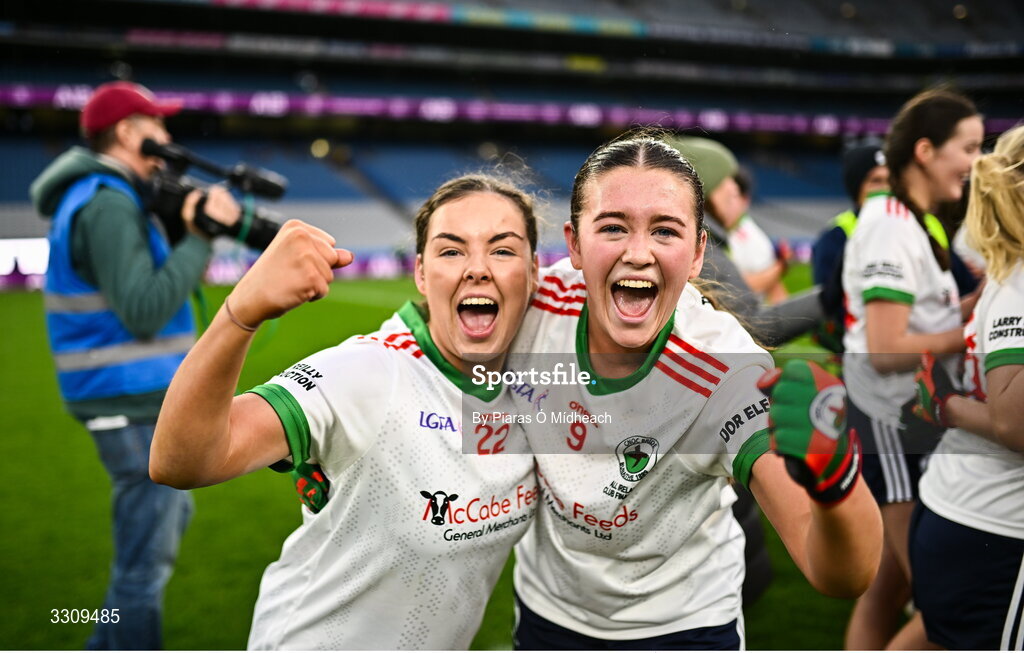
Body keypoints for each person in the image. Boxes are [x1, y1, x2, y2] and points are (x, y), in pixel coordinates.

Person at [508, 132, 882, 648]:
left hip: (683, 627)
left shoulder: (724, 369)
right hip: (547, 613)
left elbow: (840, 573)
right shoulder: (532, 304)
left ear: (699, 251)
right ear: (573, 243)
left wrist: (836, 478)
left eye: (665, 231)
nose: (638, 253)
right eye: (613, 227)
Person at [149, 174, 543, 649]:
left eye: (502, 250)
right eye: (451, 250)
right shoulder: (370, 372)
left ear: (534, 270)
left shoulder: (538, 383)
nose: (477, 268)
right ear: (420, 272)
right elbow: (183, 461)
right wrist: (241, 314)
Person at [29, 81, 240, 650]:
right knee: (141, 573)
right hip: (128, 404)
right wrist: (198, 236)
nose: (167, 138)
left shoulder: (107, 195)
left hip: (128, 398)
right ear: (126, 132)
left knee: (163, 532)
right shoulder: (108, 201)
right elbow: (145, 308)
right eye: (157, 125)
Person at [840, 88, 983, 649]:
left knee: (885, 588)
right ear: (925, 150)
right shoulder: (890, 223)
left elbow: (922, 320)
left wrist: (982, 304)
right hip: (893, 423)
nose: (976, 164)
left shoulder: (914, 220)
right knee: (944, 604)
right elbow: (887, 347)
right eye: (968, 147)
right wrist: (971, 331)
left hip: (904, 418)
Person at [902, 124, 1024, 650]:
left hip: (961, 508)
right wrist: (945, 406)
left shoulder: (1007, 273)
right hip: (992, 526)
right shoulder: (1018, 282)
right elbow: (1013, 422)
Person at [662, 136, 823, 348]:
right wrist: (829, 297)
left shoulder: (688, 240)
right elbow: (755, 326)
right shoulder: (701, 249)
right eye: (726, 179)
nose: (735, 190)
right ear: (705, 188)